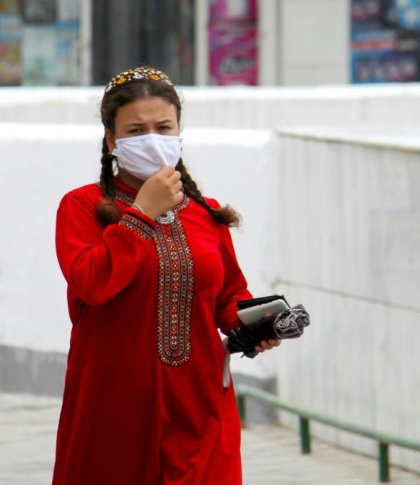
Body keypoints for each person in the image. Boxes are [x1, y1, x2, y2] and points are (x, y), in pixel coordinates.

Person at [52, 66, 280, 484]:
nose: (152, 139)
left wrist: (256, 323)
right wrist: (141, 215)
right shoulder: (82, 207)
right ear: (111, 139)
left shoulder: (206, 212)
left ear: (179, 133)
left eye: (163, 127)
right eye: (136, 130)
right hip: (116, 405)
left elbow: (228, 297)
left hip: (199, 401)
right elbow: (91, 283)